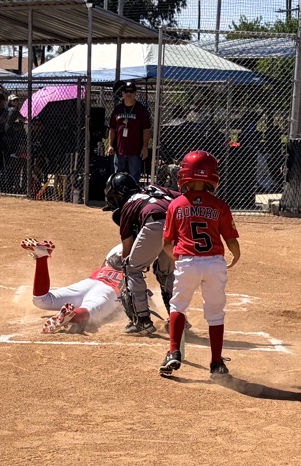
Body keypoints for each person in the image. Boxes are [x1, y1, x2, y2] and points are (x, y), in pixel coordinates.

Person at [159, 149, 240, 378]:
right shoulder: (220, 205)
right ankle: (216, 364)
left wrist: (178, 257)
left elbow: (167, 242)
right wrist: (236, 256)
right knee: (215, 313)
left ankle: (174, 352)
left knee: (178, 306)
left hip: (187, 261)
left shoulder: (176, 205)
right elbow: (231, 240)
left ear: (183, 174)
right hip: (214, 263)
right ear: (213, 177)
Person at [105, 170, 175, 338]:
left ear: (119, 194)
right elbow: (183, 199)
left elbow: (127, 250)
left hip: (155, 222)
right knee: (165, 271)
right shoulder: (155, 188)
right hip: (180, 222)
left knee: (131, 269)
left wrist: (127, 272)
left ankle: (142, 321)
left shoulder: (128, 205)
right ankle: (178, 319)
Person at [20, 238, 127, 334]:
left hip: (90, 282)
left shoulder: (121, 246)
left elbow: (106, 263)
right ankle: (71, 316)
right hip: (109, 290)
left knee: (42, 300)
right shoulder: (139, 252)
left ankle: (41, 258)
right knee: (88, 311)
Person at [107, 81, 151, 181]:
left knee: (134, 177)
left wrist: (145, 147)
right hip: (120, 151)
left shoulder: (141, 110)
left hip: (135, 151)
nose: (128, 94)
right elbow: (112, 128)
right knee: (118, 177)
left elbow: (146, 130)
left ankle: (133, 196)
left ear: (135, 93)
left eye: (131, 91)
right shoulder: (117, 110)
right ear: (122, 93)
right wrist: (110, 145)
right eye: (126, 91)